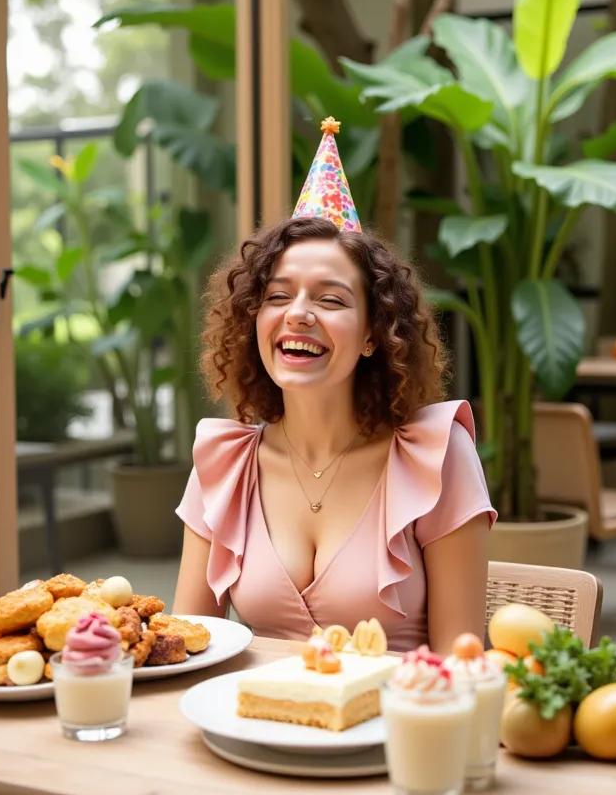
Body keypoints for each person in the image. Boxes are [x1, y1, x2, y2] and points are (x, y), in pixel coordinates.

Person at [174, 117, 496, 654]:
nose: (298, 314)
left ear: (374, 335)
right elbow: (187, 648)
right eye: (277, 296)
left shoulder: (434, 457)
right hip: (256, 727)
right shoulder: (223, 464)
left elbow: (459, 668)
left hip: (394, 730)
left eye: (330, 300)